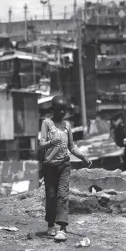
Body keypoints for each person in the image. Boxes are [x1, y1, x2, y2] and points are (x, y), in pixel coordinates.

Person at [39, 95, 92, 241]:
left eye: (64, 110)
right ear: (52, 109)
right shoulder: (46, 123)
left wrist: (83, 157)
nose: (62, 112)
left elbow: (71, 146)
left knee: (63, 195)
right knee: (51, 196)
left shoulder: (67, 125)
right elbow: (41, 144)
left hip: (64, 165)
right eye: (59, 109)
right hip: (50, 166)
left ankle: (62, 228)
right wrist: (51, 142)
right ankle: (51, 225)